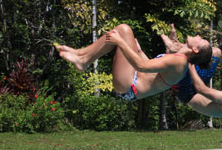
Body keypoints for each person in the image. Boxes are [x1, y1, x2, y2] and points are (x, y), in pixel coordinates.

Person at [56, 23, 212, 100]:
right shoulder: (179, 59)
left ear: (196, 50)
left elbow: (142, 67)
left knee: (123, 31)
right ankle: (80, 54)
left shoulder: (180, 62)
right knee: (123, 31)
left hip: (130, 87)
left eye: (201, 40)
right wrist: (139, 50)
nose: (198, 36)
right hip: (133, 79)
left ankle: (83, 59)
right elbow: (151, 70)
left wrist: (121, 42)